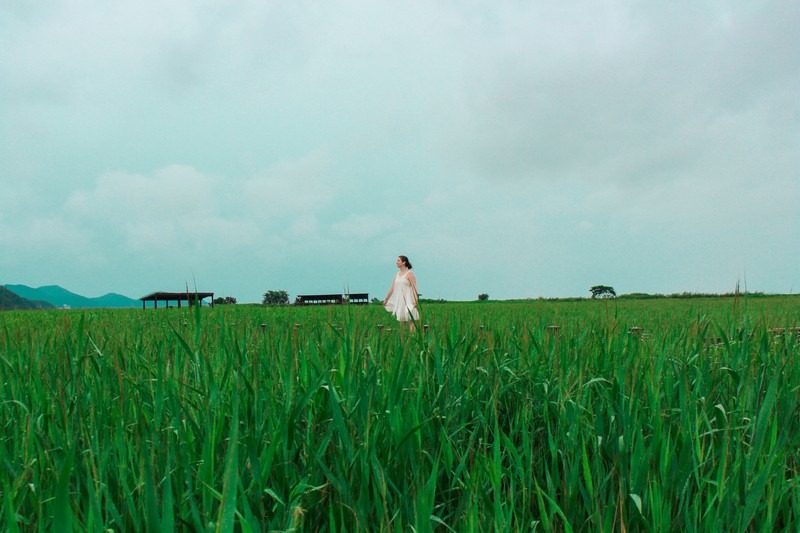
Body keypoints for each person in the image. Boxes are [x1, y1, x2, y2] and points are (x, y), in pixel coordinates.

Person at [383, 255, 419, 330]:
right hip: (400, 301)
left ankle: (413, 337)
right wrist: (386, 299)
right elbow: (392, 288)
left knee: (411, 320)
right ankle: (403, 339)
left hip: (409, 301)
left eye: (398, 260)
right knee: (402, 322)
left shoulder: (409, 274)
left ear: (404, 262)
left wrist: (416, 300)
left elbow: (414, 288)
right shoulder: (397, 275)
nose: (396, 262)